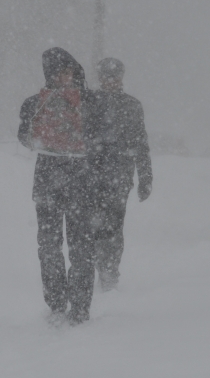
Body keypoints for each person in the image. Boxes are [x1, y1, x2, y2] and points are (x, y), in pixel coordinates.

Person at [18, 48, 97, 326]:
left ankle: (78, 306)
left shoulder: (85, 101)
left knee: (77, 245)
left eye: (69, 72)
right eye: (61, 73)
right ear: (50, 75)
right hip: (64, 177)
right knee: (54, 245)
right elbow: (24, 137)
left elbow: (25, 139)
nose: (66, 77)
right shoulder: (38, 102)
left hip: (66, 177)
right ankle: (58, 304)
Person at [90, 57, 152, 292]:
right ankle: (96, 267)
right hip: (91, 176)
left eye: (114, 76)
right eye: (106, 76)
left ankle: (109, 271)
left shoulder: (132, 106)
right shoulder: (90, 103)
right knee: (93, 226)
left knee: (114, 226)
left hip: (120, 177)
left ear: (121, 78)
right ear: (100, 77)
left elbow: (141, 143)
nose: (110, 81)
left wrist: (145, 178)